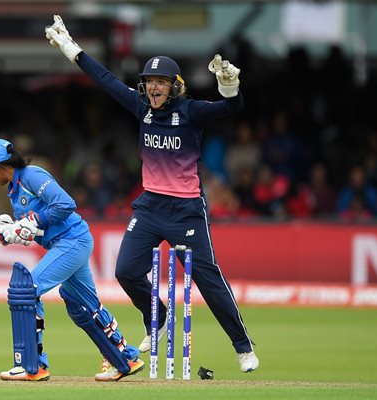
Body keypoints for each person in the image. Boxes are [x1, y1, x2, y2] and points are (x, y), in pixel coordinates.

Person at [45, 15, 259, 373]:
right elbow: (105, 79)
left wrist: (229, 88)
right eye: (149, 83)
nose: (154, 89)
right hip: (150, 207)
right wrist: (71, 48)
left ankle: (242, 345)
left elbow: (231, 109)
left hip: (187, 210)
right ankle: (156, 320)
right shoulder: (141, 107)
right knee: (126, 270)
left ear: (174, 86)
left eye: (160, 83)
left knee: (207, 278)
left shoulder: (191, 112)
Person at [0, 138, 144, 381]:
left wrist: (30, 223)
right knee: (80, 305)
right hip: (65, 243)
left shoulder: (30, 176)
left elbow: (66, 204)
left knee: (27, 288)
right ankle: (126, 358)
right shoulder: (14, 190)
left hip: (73, 240)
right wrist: (12, 231)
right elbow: (38, 229)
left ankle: (32, 365)